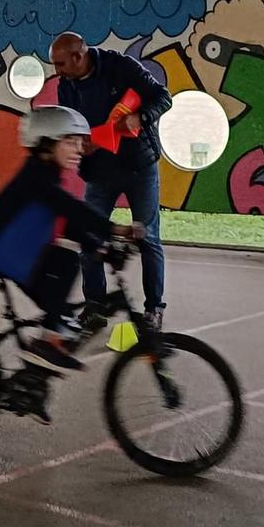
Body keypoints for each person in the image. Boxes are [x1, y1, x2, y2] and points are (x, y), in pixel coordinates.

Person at [0, 105, 132, 377]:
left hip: (17, 251)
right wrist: (114, 229)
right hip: (2, 252)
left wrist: (98, 247)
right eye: (70, 142)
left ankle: (39, 368)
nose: (79, 149)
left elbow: (66, 222)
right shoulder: (36, 177)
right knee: (61, 286)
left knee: (64, 275)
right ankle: (47, 343)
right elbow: (69, 208)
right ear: (45, 144)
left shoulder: (47, 176)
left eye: (79, 143)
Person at [48, 30, 172, 329]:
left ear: (79, 56)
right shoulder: (66, 86)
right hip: (99, 172)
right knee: (90, 237)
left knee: (147, 238)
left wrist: (139, 117)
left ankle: (154, 309)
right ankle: (95, 305)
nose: (57, 72)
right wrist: (80, 143)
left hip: (138, 167)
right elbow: (70, 123)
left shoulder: (121, 66)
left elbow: (163, 97)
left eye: (61, 64)